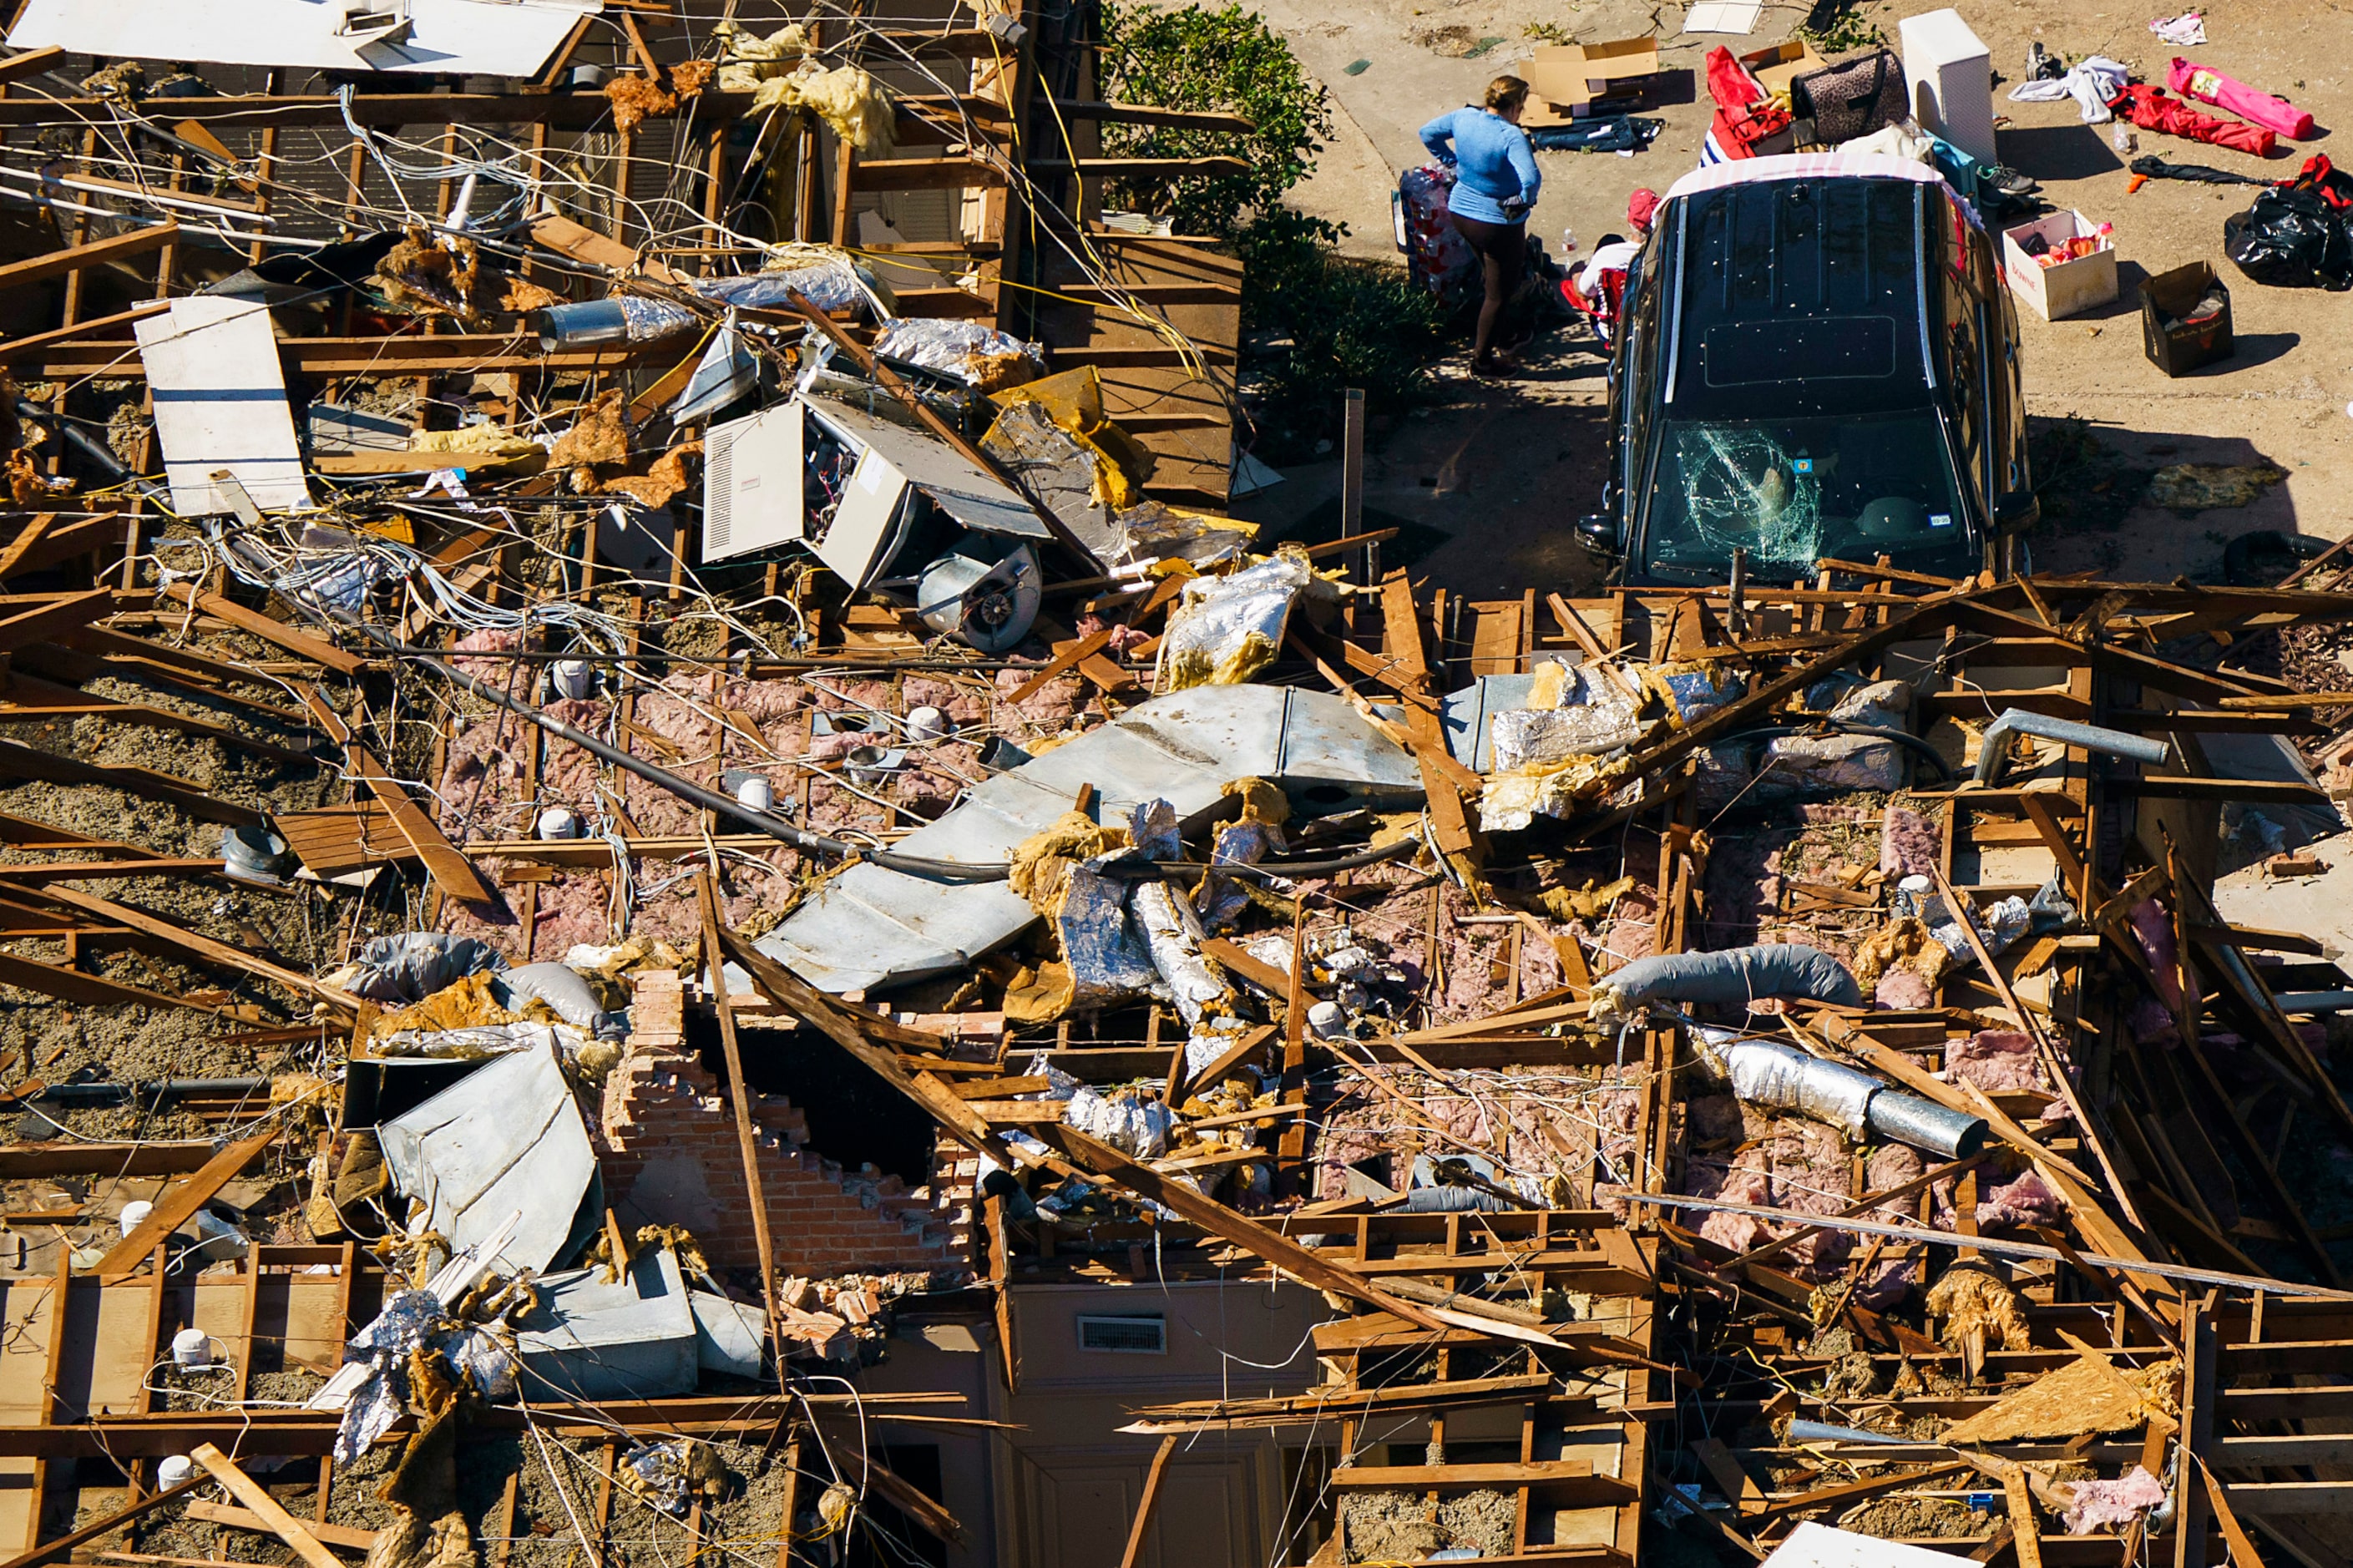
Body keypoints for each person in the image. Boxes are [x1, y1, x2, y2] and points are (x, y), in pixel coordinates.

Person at [1419, 77, 1542, 377]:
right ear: (1514, 107)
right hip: (1498, 223)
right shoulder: (1510, 136)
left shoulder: (1464, 117)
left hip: (1462, 213)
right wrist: (1523, 201)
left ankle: (1506, 334)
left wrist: (1455, 163)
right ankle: (1483, 362)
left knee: (1492, 278)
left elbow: (1427, 133)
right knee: (1498, 293)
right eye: (1521, 108)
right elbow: (1531, 178)